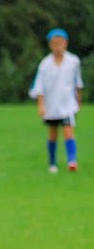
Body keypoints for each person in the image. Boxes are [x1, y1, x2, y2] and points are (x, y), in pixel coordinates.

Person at [31, 28, 83, 173]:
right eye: (54, 43)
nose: (58, 46)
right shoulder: (45, 64)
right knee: (53, 133)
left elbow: (78, 83)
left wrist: (78, 100)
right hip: (51, 104)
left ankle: (72, 161)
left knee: (68, 131)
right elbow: (39, 86)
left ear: (65, 43)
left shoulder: (73, 61)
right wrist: (41, 105)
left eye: (60, 43)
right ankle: (52, 163)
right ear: (50, 45)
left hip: (67, 104)